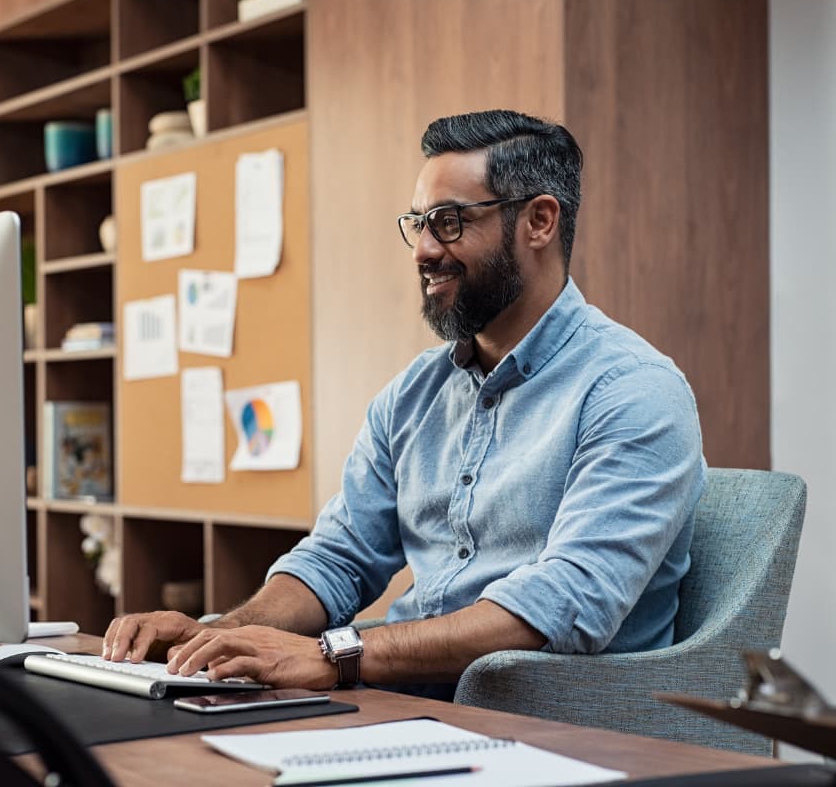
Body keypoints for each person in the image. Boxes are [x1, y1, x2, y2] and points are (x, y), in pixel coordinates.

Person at [104, 109, 705, 697]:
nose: (421, 249)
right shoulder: (413, 395)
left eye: (447, 222)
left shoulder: (633, 390)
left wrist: (336, 656)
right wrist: (220, 636)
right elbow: (339, 558)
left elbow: (563, 604)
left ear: (539, 222)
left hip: (550, 727)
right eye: (417, 223)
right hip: (404, 701)